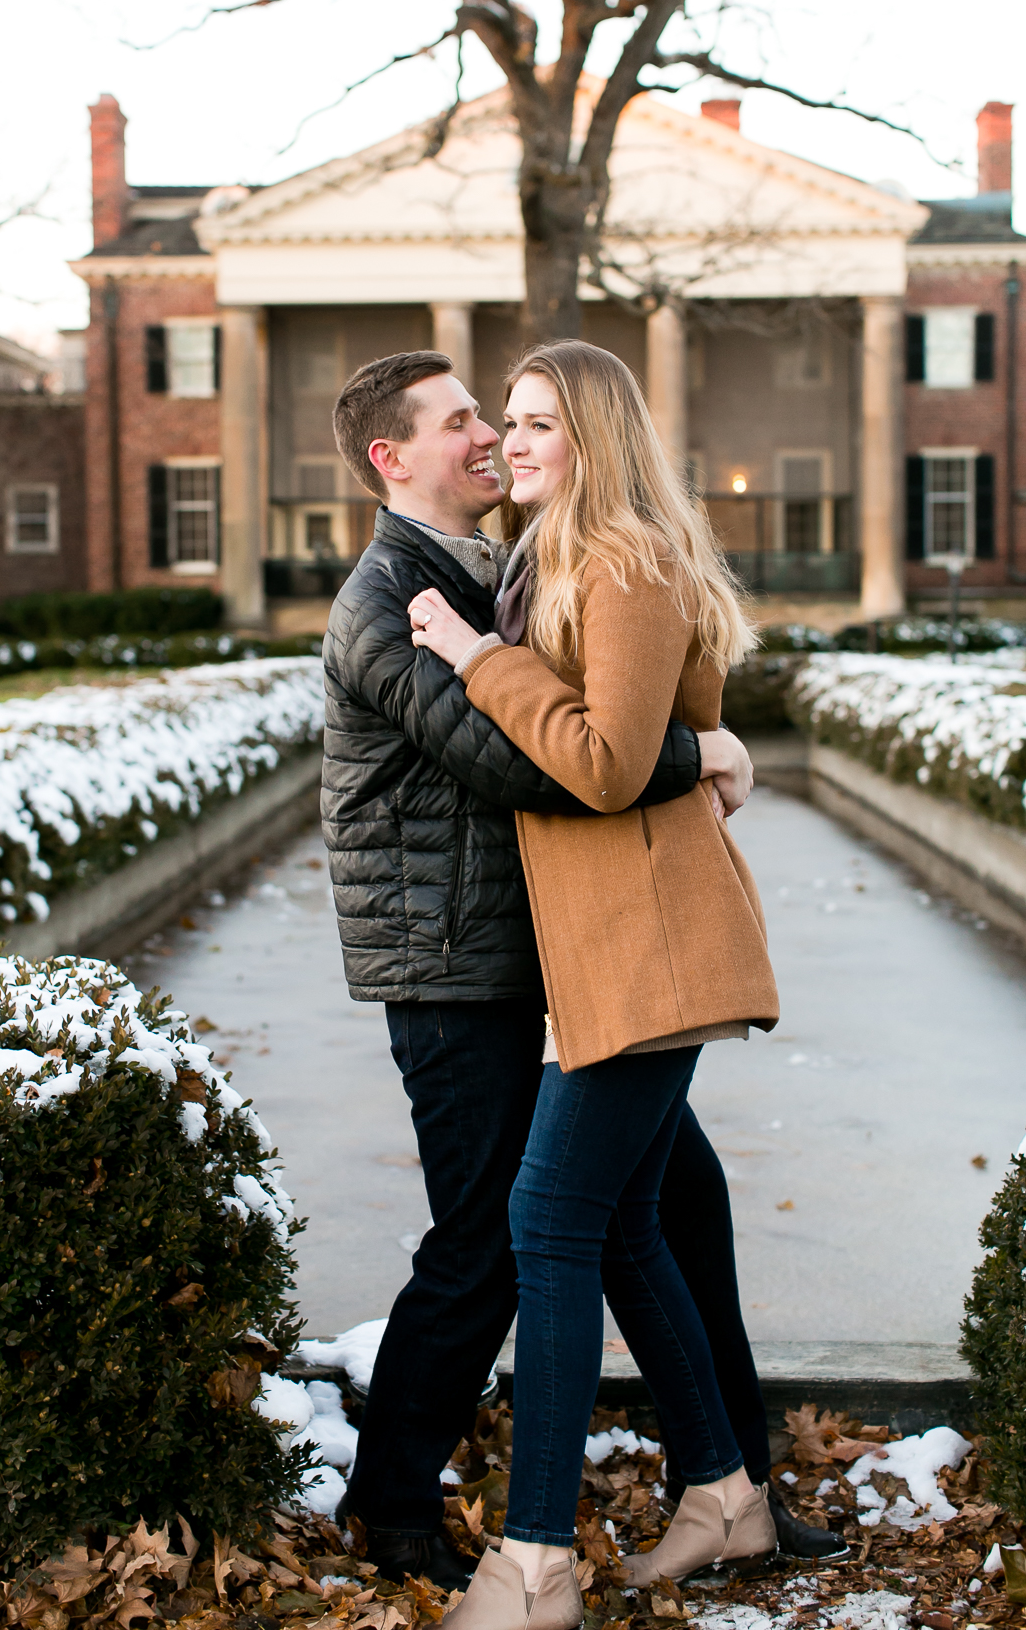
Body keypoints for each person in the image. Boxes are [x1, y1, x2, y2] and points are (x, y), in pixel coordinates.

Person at [321, 348, 844, 1593]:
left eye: (512, 419)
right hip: (455, 968)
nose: (492, 439)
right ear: (394, 460)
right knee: (493, 1243)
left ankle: (727, 1485)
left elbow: (583, 702)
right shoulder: (392, 599)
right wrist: (698, 749)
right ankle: (392, 1498)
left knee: (667, 1208)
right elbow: (529, 765)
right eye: (467, 424)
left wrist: (677, 732)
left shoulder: (497, 569)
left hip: (551, 953)